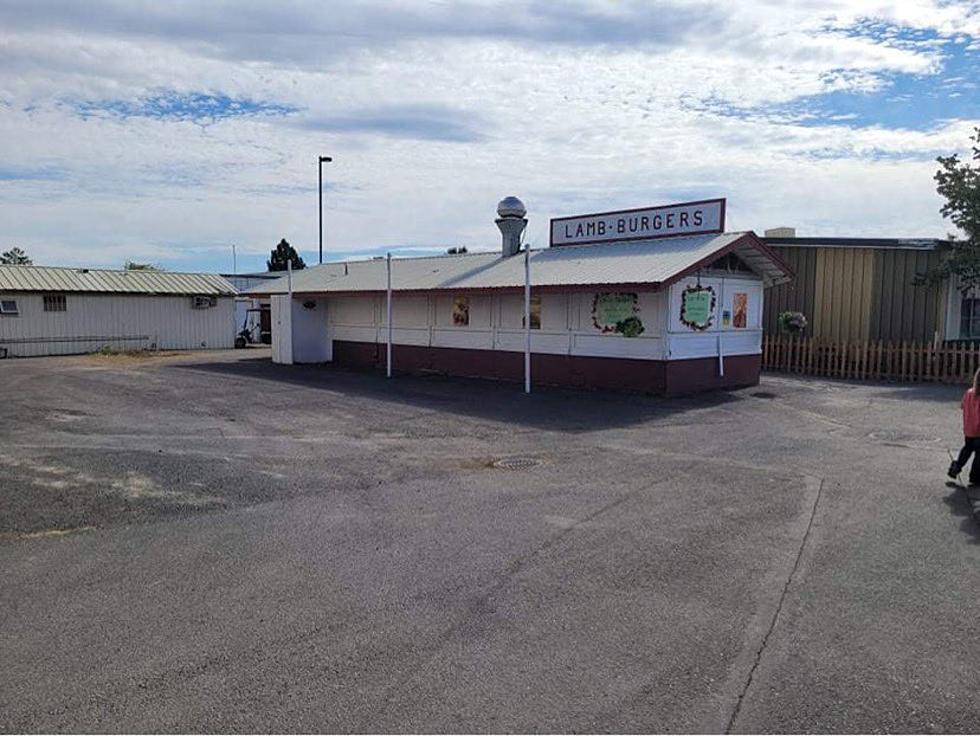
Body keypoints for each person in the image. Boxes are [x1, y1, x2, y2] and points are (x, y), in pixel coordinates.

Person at [948, 368, 980, 484]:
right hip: (979, 430)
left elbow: (962, 406)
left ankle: (956, 467)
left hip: (969, 428)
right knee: (979, 454)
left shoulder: (969, 393)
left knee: (967, 449)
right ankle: (975, 477)